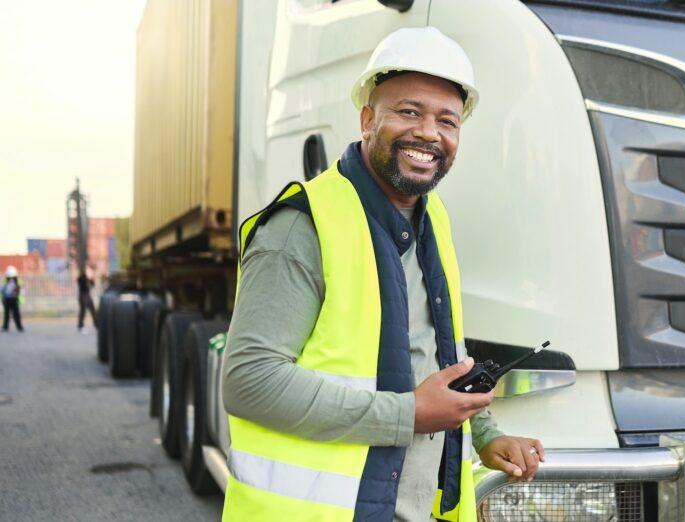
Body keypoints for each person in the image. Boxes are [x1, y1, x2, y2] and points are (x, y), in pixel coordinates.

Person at [221, 27, 544, 521]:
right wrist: (408, 415)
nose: (428, 134)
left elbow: (435, 351)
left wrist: (485, 433)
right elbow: (249, 380)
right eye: (409, 112)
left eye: (447, 121)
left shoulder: (433, 219)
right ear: (368, 119)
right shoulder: (302, 228)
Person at [76, 265, 98, 332]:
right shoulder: (82, 277)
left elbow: (92, 285)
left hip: (86, 295)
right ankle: (81, 326)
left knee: (91, 310)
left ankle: (95, 325)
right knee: (84, 311)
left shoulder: (88, 278)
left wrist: (92, 277)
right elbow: (81, 282)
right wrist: (88, 278)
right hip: (83, 296)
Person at [2, 266, 24, 332]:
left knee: (16, 314)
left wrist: (17, 291)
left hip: (14, 299)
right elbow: (2, 290)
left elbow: (21, 289)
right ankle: (5, 327)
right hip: (7, 299)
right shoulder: (5, 281)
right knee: (7, 314)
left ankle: (19, 327)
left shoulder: (18, 280)